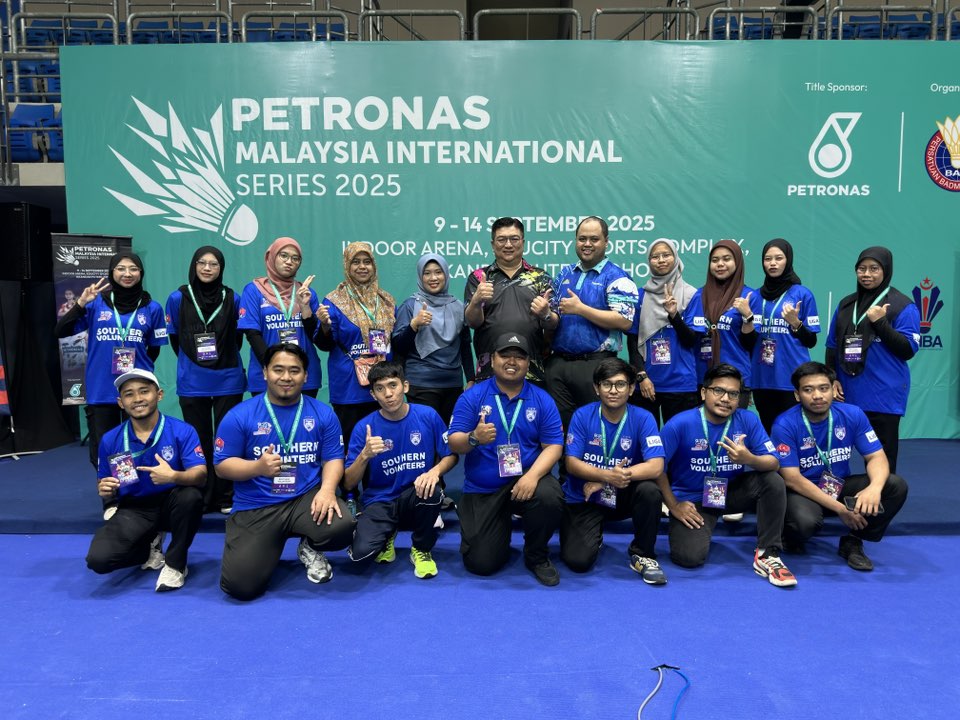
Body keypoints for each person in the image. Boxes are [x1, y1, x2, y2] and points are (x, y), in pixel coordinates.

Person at [215, 344, 354, 600]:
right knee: (241, 587)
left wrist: (327, 490)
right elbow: (221, 466)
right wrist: (257, 467)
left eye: (294, 370)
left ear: (306, 376)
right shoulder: (239, 416)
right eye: (278, 370)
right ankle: (267, 542)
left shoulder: (323, 413)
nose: (286, 377)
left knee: (343, 526)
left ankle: (309, 545)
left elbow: (333, 458)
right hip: (257, 504)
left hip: (305, 499)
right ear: (265, 372)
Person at [656, 364, 797, 588]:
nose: (725, 399)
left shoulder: (747, 420)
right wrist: (673, 505)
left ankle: (767, 552)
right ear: (704, 392)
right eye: (718, 391)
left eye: (733, 394)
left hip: (732, 493)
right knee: (689, 558)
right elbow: (656, 468)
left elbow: (774, 462)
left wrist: (749, 459)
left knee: (772, 480)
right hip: (693, 500)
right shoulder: (679, 424)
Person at [448, 333, 564, 586]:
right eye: (505, 355)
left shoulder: (542, 399)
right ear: (492, 360)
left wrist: (532, 476)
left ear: (528, 363)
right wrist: (474, 438)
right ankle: (497, 532)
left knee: (549, 496)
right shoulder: (473, 396)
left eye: (519, 357)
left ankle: (536, 555)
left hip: (525, 481)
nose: (512, 362)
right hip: (484, 488)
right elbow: (454, 442)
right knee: (481, 564)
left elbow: (554, 445)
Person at [770, 362, 909, 571]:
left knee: (894, 485)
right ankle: (790, 536)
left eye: (823, 388)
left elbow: (877, 457)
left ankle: (854, 540)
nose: (817, 396)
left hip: (838, 486)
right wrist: (841, 510)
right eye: (808, 390)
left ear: (834, 389)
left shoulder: (852, 414)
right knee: (803, 523)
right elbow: (792, 479)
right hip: (803, 492)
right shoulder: (785, 424)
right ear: (797, 395)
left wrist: (874, 488)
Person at [85, 369, 205, 592]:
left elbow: (200, 474)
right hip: (135, 508)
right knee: (98, 560)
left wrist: (174, 476)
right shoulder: (110, 439)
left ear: (159, 395)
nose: (137, 398)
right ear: (120, 402)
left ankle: (176, 564)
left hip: (173, 502)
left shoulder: (182, 431)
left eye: (144, 391)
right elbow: (104, 481)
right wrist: (105, 489)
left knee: (191, 496)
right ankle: (149, 547)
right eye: (129, 394)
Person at [55, 252, 168, 478]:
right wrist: (80, 303)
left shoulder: (152, 308)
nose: (127, 273)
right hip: (102, 388)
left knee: (140, 444)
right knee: (104, 449)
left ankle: (140, 490)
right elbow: (61, 331)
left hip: (137, 390)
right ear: (112, 272)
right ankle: (117, 491)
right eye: (121, 268)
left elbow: (154, 348)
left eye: (133, 269)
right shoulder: (96, 303)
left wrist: (137, 373)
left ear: (141, 273)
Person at [344, 362, 456, 578]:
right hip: (380, 500)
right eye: (380, 389)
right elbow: (348, 483)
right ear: (373, 394)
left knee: (432, 491)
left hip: (415, 495)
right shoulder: (364, 428)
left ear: (405, 386)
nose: (388, 394)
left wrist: (434, 472)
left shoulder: (428, 415)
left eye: (393, 385)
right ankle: (387, 534)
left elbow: (451, 455)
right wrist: (364, 455)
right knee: (360, 555)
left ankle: (421, 549)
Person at [559, 358, 666, 583]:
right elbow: (571, 463)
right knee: (578, 561)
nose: (613, 390)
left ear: (631, 388)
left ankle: (643, 554)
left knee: (649, 491)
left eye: (620, 384)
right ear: (596, 388)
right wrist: (607, 476)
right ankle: (593, 535)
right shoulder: (582, 415)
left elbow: (656, 466)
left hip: (622, 493)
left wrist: (609, 480)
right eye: (607, 384)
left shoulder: (643, 418)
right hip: (585, 496)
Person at [165, 246, 246, 514]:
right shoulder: (177, 298)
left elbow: (237, 338)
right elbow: (175, 338)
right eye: (202, 263)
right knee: (199, 439)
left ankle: (225, 496)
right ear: (194, 265)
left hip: (227, 378)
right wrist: (196, 360)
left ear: (221, 268)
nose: (207, 268)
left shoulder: (232, 298)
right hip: (192, 379)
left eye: (214, 264)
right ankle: (203, 495)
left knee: (227, 438)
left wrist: (218, 357)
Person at [825, 247, 919, 473]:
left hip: (883, 395)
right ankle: (836, 492)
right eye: (862, 269)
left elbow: (907, 349)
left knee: (882, 459)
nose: (867, 274)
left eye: (874, 269)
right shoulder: (846, 305)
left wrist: (880, 323)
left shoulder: (902, 306)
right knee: (836, 454)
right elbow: (832, 346)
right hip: (847, 393)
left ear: (886, 271)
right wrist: (832, 379)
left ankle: (882, 493)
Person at [545, 216, 638, 430]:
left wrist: (581, 309)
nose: (587, 244)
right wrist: (544, 314)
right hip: (558, 364)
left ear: (606, 242)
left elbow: (624, 321)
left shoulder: (617, 277)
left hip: (597, 365)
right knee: (559, 431)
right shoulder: (564, 273)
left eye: (594, 239)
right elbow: (554, 316)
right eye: (582, 239)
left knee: (594, 430)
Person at [316, 242, 396, 450]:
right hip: (349, 388)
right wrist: (324, 326)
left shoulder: (386, 300)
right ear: (347, 266)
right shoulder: (334, 301)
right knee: (352, 447)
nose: (362, 267)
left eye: (367, 262)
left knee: (383, 447)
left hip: (382, 386)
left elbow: (393, 343)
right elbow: (325, 344)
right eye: (356, 262)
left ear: (374, 265)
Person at [464, 217, 557, 384]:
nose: (508, 245)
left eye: (514, 239)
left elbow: (553, 324)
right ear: (493, 244)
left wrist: (546, 314)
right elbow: (472, 323)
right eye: (501, 239)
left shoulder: (540, 277)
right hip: (489, 372)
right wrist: (476, 301)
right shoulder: (479, 277)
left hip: (531, 371)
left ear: (523, 242)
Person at [392, 252, 474, 424]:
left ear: (446, 274)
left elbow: (465, 347)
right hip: (420, 384)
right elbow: (398, 347)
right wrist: (414, 325)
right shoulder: (410, 305)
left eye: (438, 272)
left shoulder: (458, 307)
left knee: (450, 435)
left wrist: (471, 379)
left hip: (453, 384)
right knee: (425, 434)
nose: (433, 278)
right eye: (427, 273)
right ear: (420, 277)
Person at [629, 239, 703, 427]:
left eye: (666, 255)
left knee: (681, 441)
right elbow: (632, 341)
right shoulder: (640, 296)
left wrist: (674, 315)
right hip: (647, 384)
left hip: (681, 384)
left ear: (675, 258)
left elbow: (691, 340)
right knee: (646, 440)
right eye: (655, 257)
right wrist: (641, 376)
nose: (661, 260)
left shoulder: (691, 295)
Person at [238, 236, 323, 398]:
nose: (289, 261)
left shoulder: (306, 293)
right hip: (266, 375)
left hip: (304, 375)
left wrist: (305, 307)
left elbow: (316, 337)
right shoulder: (254, 290)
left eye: (295, 258)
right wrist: (273, 367)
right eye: (283, 255)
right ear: (271, 257)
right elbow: (252, 334)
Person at [749, 239, 820, 432]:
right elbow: (748, 341)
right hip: (762, 379)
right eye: (768, 259)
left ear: (788, 260)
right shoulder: (754, 297)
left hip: (792, 378)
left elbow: (811, 341)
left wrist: (796, 323)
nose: (772, 263)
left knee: (794, 434)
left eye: (778, 258)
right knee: (770, 433)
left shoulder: (802, 294)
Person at [688, 240, 757, 406]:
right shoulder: (698, 295)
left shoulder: (749, 296)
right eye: (715, 260)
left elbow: (751, 343)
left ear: (737, 262)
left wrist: (747, 316)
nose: (720, 264)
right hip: (702, 378)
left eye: (726, 259)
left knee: (734, 423)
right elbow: (690, 338)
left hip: (736, 378)